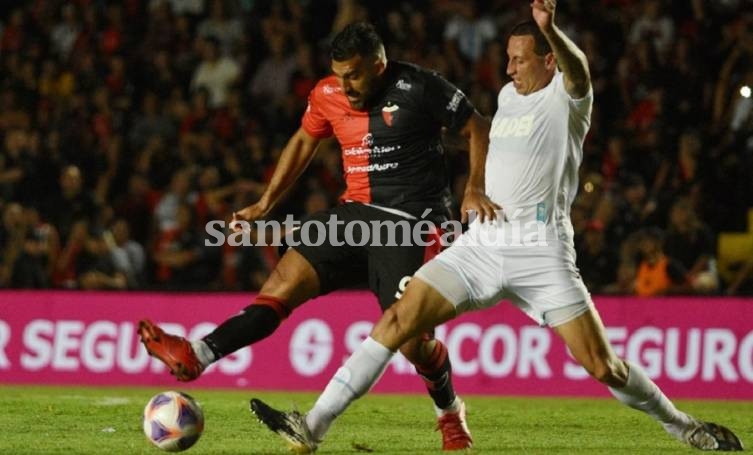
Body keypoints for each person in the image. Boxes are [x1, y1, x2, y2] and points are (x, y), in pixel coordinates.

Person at [249, 3, 744, 453]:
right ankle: (311, 427)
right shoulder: (508, 96)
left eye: (521, 58)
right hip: (482, 245)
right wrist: (475, 187)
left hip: (540, 251)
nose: (508, 69)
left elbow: (579, 72)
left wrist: (553, 30)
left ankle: (683, 426)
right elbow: (489, 144)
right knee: (398, 323)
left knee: (603, 366)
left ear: (548, 60)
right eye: (507, 58)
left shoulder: (568, 101)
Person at [138, 21, 499, 450]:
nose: (345, 85)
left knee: (413, 345)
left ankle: (449, 412)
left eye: (355, 75)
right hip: (354, 215)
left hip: (413, 222)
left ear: (379, 65)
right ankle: (198, 354)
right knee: (280, 286)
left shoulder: (418, 85)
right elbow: (303, 142)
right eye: (339, 74)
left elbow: (477, 126)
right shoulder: (327, 94)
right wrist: (265, 204)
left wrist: (474, 187)